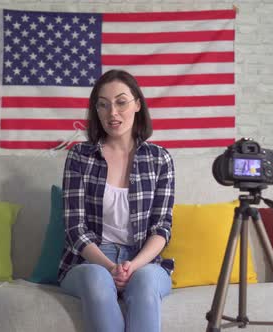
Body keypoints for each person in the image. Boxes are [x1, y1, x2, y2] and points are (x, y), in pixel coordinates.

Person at [58, 69, 175, 332]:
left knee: (145, 282)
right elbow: (75, 229)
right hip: (91, 260)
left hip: (143, 259)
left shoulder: (160, 159)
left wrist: (132, 265)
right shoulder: (80, 157)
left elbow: (162, 227)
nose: (113, 112)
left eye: (121, 102)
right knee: (97, 279)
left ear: (137, 104)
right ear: (96, 110)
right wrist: (110, 266)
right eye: (103, 104)